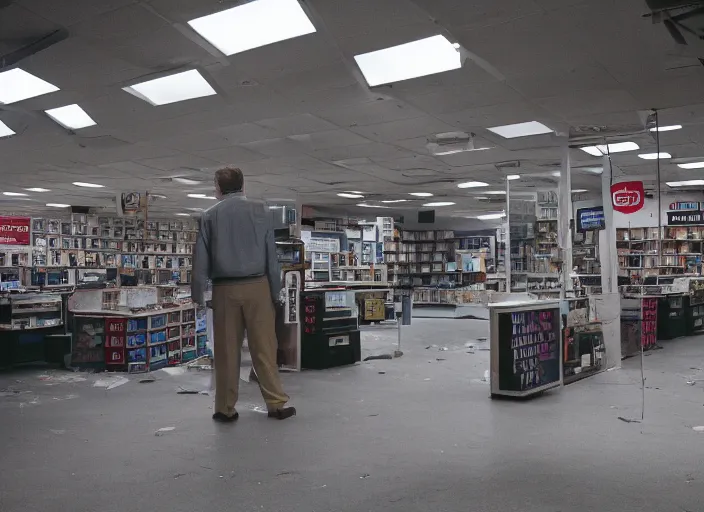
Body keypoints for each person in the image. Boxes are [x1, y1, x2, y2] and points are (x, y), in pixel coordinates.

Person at [192, 166, 296, 422]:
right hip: (258, 285)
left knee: (227, 351)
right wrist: (275, 292)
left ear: (218, 188)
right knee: (264, 347)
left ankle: (225, 409)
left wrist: (197, 294)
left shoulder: (208, 216)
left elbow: (200, 260)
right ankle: (276, 404)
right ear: (243, 186)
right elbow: (271, 257)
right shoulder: (261, 211)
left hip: (224, 289)